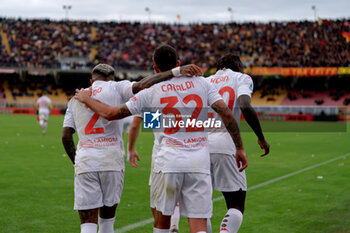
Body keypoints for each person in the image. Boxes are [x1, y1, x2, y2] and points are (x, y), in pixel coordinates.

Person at [74, 44, 248, 233]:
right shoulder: (203, 83)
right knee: (198, 225)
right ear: (178, 63)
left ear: (156, 69)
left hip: (167, 161)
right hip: (198, 162)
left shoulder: (151, 91)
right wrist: (239, 148)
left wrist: (86, 98)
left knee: (162, 222)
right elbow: (228, 115)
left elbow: (110, 114)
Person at [61, 63, 202, 233]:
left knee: (88, 225)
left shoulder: (76, 99)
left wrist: (77, 162)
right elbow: (142, 85)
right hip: (111, 161)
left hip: (86, 161)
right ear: (111, 78)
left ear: (92, 80)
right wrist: (175, 71)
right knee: (107, 223)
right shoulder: (117, 87)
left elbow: (65, 136)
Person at [207, 54, 270, 233]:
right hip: (226, 144)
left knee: (200, 208)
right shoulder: (242, 78)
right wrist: (261, 137)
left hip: (200, 146)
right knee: (236, 204)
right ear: (237, 65)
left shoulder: (206, 81)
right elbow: (244, 105)